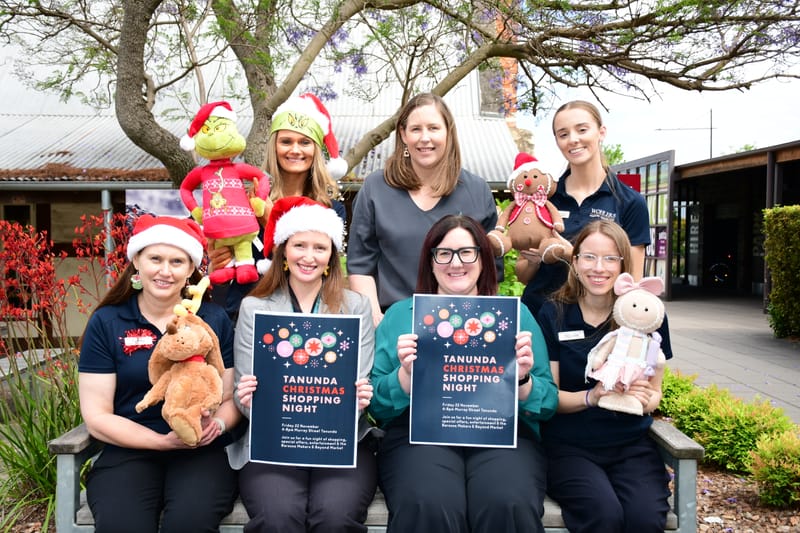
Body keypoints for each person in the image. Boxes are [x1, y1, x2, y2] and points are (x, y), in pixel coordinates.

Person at [370, 214, 558, 533]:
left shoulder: (514, 316)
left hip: (503, 434)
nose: (455, 263)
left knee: (506, 501)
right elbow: (376, 405)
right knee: (427, 501)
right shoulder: (402, 316)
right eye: (444, 253)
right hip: (420, 434)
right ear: (430, 261)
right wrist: (405, 378)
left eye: (467, 252)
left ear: (483, 259)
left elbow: (548, 402)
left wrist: (523, 380)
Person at [78, 214, 239, 533]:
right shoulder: (108, 322)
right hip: (128, 449)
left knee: (189, 523)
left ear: (191, 269)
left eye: (177, 261)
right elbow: (97, 415)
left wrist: (217, 425)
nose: (165, 271)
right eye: (155, 259)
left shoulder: (212, 320)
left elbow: (229, 397)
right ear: (136, 261)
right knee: (123, 525)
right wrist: (159, 442)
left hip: (199, 450)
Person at [226, 196, 378, 533]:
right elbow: (242, 392)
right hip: (271, 440)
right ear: (283, 251)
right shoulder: (255, 308)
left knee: (335, 516)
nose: (309, 256)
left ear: (331, 257)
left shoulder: (355, 307)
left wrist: (358, 398)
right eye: (299, 245)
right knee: (279, 516)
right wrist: (250, 399)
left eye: (320, 248)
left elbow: (360, 376)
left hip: (341, 439)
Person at [536, 219, 672, 533]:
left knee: (644, 518)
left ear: (624, 264)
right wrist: (593, 396)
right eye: (589, 257)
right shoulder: (553, 313)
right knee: (603, 515)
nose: (599, 268)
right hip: (569, 446)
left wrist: (644, 398)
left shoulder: (644, 313)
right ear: (575, 261)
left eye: (611, 258)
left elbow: (655, 394)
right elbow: (551, 396)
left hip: (630, 445)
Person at [347, 93, 500, 325]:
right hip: (393, 321)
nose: (424, 138)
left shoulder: (477, 191)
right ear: (403, 135)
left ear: (448, 132)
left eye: (433, 128)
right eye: (416, 129)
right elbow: (360, 265)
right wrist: (377, 321)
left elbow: (491, 271)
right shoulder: (375, 188)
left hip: (461, 323)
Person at [210, 93, 347, 319]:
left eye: (304, 142)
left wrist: (272, 219)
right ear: (275, 146)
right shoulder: (244, 200)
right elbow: (226, 261)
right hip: (242, 311)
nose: (295, 150)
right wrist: (217, 261)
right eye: (286, 141)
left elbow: (319, 269)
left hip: (302, 314)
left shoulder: (330, 210)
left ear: (316, 149)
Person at [519, 100, 650, 316]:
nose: (573, 140)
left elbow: (632, 282)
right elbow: (524, 276)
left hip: (597, 323)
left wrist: (573, 255)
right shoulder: (543, 199)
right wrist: (534, 262)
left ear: (601, 132)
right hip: (540, 317)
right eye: (563, 134)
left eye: (582, 129)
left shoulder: (630, 202)